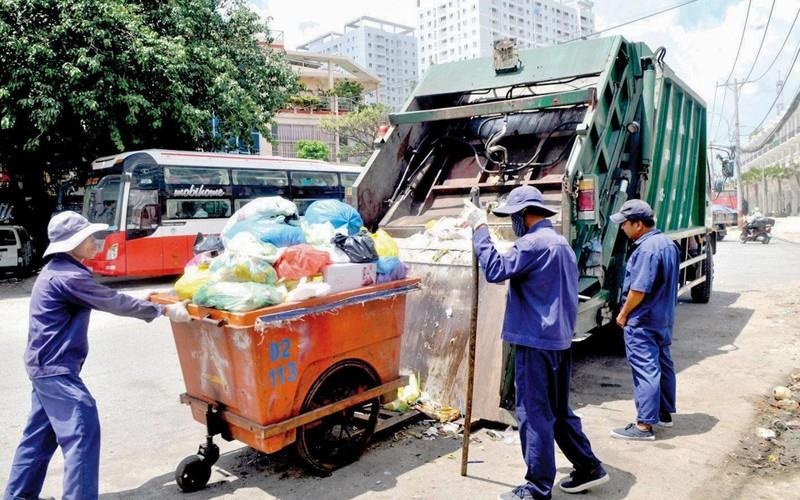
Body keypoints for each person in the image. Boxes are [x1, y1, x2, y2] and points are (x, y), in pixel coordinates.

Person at [4, 211, 192, 500]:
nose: (96, 241)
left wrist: (142, 300)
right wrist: (163, 310)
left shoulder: (58, 270)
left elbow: (101, 298)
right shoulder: (68, 276)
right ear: (71, 243)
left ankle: (19, 496)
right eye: (88, 237)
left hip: (44, 366)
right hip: (56, 370)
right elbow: (110, 301)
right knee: (82, 429)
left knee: (39, 438)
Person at [462, 186, 609, 500]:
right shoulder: (561, 245)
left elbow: (495, 270)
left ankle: (537, 487)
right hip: (559, 341)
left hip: (535, 342)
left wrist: (480, 230)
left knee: (534, 413)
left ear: (525, 215)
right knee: (558, 411)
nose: (513, 223)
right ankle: (589, 466)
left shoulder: (531, 244)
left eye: (514, 217)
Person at [609, 199, 679, 441]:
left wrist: (623, 314)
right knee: (663, 363)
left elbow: (638, 290)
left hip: (643, 320)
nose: (622, 228)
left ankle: (643, 426)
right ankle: (663, 414)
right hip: (663, 318)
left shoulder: (646, 249)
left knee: (646, 369)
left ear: (638, 224)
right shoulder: (667, 244)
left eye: (625, 224)